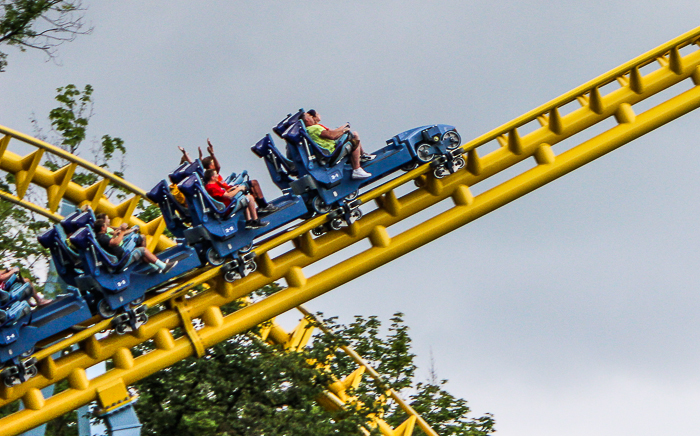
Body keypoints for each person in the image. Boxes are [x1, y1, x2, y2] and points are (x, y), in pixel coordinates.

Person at [178, 140, 277, 213]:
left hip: (230, 188)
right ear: (210, 167)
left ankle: (261, 205)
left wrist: (211, 154)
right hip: (228, 193)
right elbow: (199, 167)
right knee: (253, 183)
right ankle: (264, 205)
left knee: (250, 185)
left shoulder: (212, 174)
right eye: (212, 163)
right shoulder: (211, 176)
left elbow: (205, 165)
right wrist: (187, 156)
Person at [302, 110, 374, 180]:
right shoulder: (313, 128)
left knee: (352, 136)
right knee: (354, 142)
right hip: (332, 153)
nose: (312, 117)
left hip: (331, 151)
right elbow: (332, 136)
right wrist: (344, 130)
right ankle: (357, 170)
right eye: (309, 116)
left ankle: (361, 157)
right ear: (307, 120)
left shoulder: (310, 129)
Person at [93, 219, 176, 273]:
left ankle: (156, 267)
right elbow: (116, 243)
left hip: (121, 256)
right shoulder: (102, 237)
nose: (106, 227)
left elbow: (111, 243)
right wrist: (122, 231)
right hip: (122, 259)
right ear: (102, 228)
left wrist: (114, 235)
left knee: (138, 251)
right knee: (143, 250)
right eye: (105, 226)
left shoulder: (99, 237)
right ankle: (164, 267)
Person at [203, 169, 269, 230]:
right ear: (212, 177)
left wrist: (233, 188)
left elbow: (224, 193)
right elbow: (229, 195)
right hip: (228, 208)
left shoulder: (210, 186)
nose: (217, 175)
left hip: (228, 204)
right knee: (250, 198)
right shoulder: (212, 188)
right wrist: (239, 189)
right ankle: (255, 221)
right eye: (216, 174)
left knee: (243, 197)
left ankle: (249, 221)